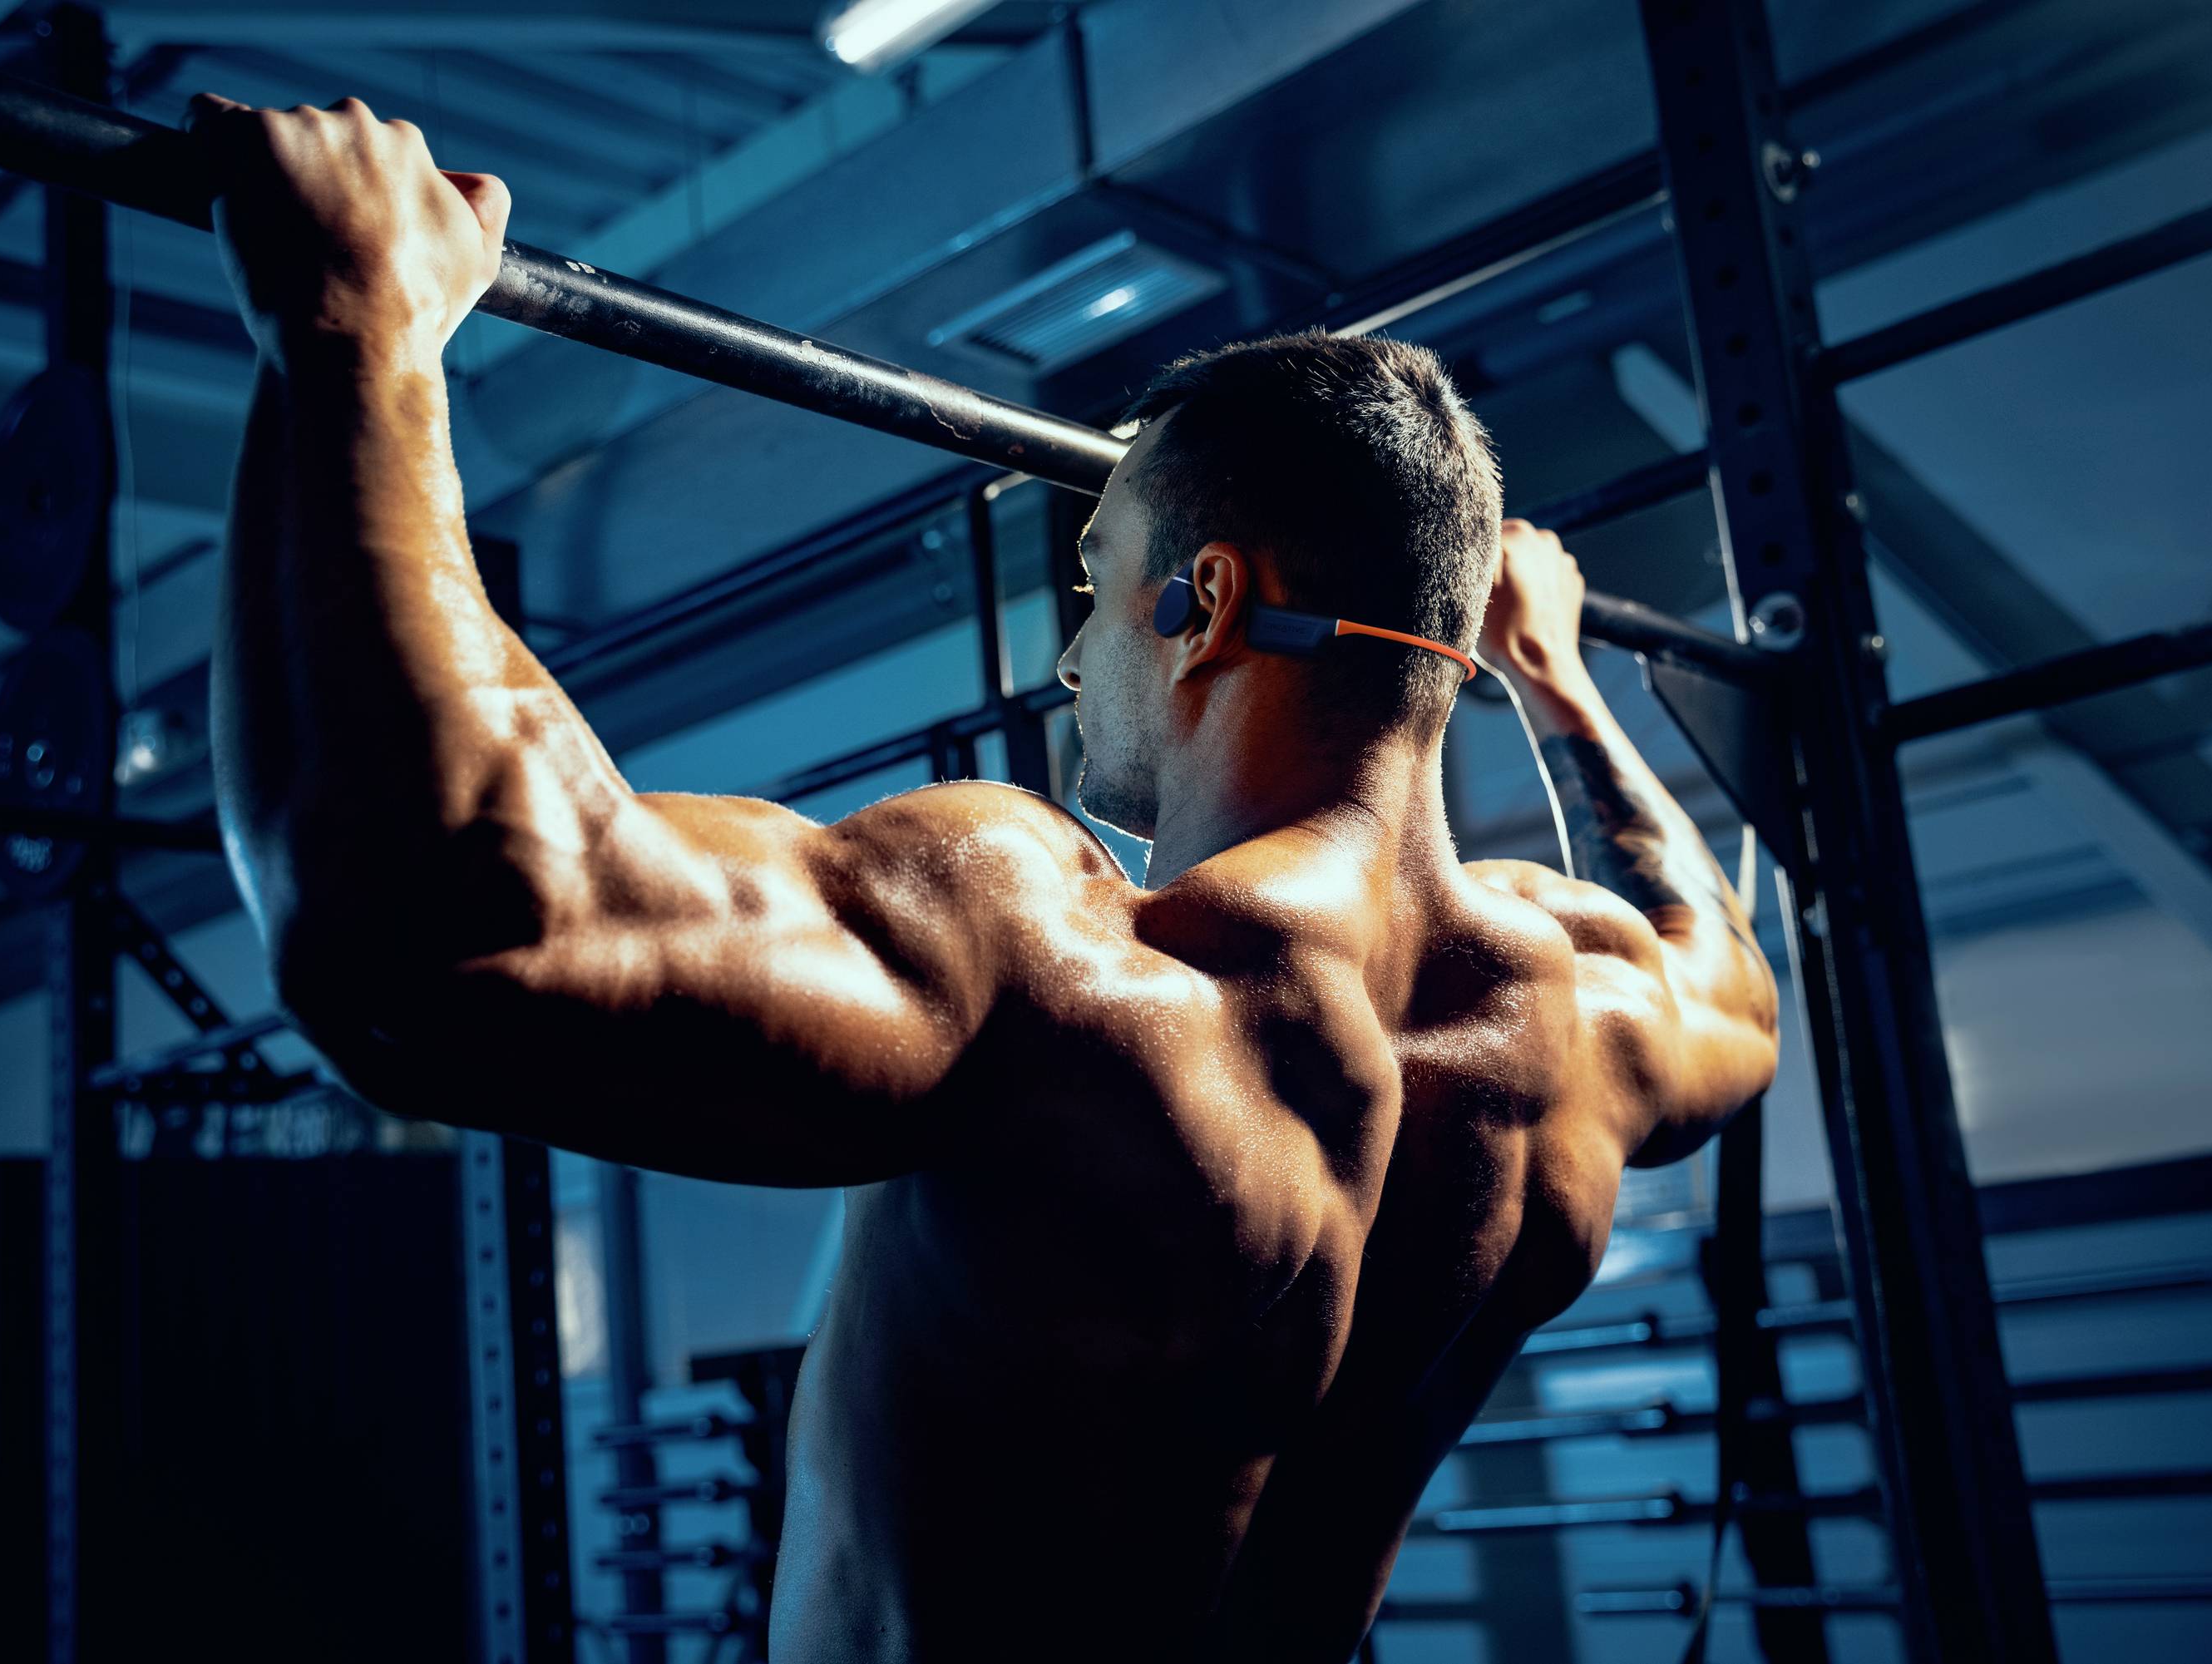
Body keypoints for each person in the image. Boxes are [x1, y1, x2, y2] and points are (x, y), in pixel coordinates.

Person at [190, 92, 1779, 1662]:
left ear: (1205, 602)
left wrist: (360, 329)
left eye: (1098, 581)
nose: (1075, 657)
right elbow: (1735, 981)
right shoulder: (1570, 1024)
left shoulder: (1078, 969)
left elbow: (433, 924)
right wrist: (1561, 681)